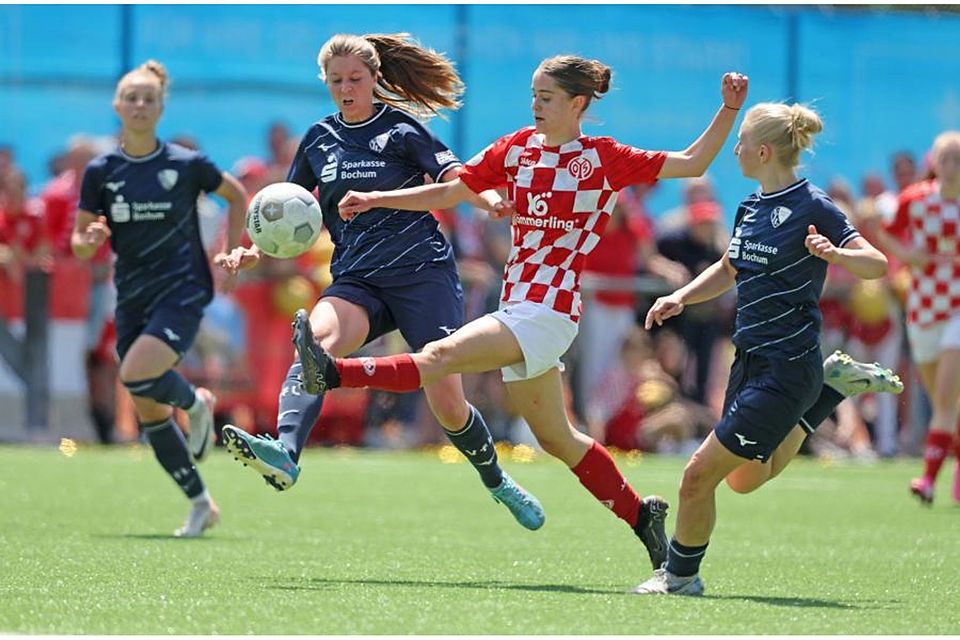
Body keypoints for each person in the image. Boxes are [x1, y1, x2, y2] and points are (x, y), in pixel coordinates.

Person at [302, 56, 750, 570]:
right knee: (558, 438)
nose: (535, 105)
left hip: (550, 311)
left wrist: (729, 109)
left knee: (439, 355)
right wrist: (381, 198)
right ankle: (640, 515)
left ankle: (334, 371)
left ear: (578, 104)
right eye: (533, 95)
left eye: (547, 97)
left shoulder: (602, 158)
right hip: (518, 306)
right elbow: (454, 190)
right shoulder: (516, 148)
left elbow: (692, 162)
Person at [216, 33, 546, 531]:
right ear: (324, 83)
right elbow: (295, 216)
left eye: (355, 79)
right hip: (357, 280)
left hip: (422, 276)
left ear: (374, 79)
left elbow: (456, 179)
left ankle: (497, 479)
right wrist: (256, 250)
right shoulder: (318, 140)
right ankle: (285, 452)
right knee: (315, 343)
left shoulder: (401, 130)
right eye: (336, 81)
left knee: (448, 403)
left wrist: (490, 201)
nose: (346, 89)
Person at [629, 102, 903, 596]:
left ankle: (680, 577)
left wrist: (837, 254)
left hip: (787, 364)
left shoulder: (814, 206)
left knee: (697, 477)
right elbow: (729, 269)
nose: (732, 150)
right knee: (743, 480)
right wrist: (680, 296)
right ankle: (828, 391)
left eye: (739, 143)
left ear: (761, 150)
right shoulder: (749, 206)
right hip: (748, 360)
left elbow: (877, 263)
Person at [71, 59, 248, 537]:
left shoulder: (186, 165)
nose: (140, 105)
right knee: (149, 409)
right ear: (117, 106)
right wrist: (89, 237)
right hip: (131, 295)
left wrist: (232, 252)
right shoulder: (100, 170)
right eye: (132, 97)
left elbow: (237, 196)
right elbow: (79, 243)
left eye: (149, 98)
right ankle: (200, 503)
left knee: (134, 373)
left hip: (183, 288)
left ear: (161, 107)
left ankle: (195, 404)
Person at [864, 131, 960, 505]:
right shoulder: (916, 200)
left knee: (948, 396)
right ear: (934, 163)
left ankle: (928, 479)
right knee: (943, 401)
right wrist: (910, 255)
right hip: (923, 306)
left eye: (958, 159)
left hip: (956, 307)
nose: (952, 167)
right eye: (946, 159)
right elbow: (885, 234)